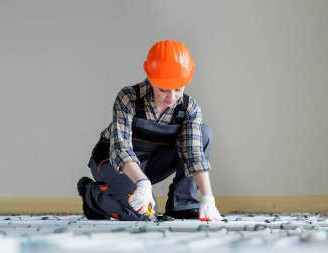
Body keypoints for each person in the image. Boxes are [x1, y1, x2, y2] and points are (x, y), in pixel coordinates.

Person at [77, 40, 222, 221]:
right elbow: (121, 148)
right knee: (141, 214)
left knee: (204, 133)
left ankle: (182, 205)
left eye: (178, 89)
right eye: (163, 90)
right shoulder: (129, 97)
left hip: (151, 163)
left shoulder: (189, 108)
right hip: (112, 161)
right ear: (150, 76)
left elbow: (193, 154)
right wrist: (143, 183)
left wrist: (208, 198)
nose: (171, 98)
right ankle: (92, 196)